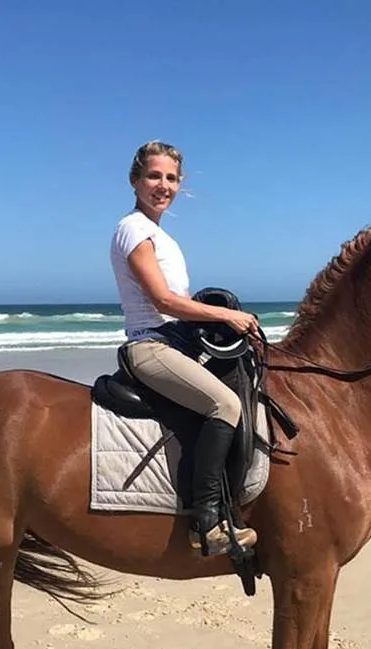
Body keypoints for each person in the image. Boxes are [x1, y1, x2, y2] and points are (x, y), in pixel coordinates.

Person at [110, 141, 259, 557]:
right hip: (149, 346)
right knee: (225, 406)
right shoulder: (133, 229)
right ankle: (206, 523)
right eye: (154, 176)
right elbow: (164, 302)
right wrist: (226, 317)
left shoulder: (162, 236)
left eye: (171, 178)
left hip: (177, 342)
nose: (163, 185)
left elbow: (184, 302)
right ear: (135, 180)